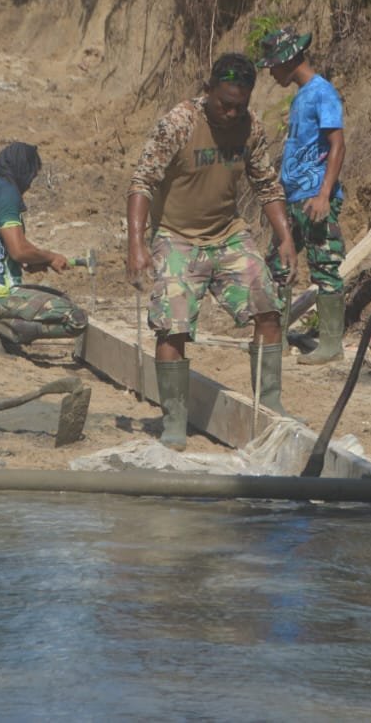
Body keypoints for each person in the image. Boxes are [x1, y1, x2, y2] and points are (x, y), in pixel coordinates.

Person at [125, 53, 299, 451]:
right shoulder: (180, 124)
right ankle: (174, 419)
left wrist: (285, 237)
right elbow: (142, 182)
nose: (231, 112)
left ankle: (269, 402)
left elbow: (267, 186)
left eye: (239, 105)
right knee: (172, 323)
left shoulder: (250, 128)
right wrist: (137, 244)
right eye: (225, 104)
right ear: (208, 93)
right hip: (177, 236)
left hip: (228, 234)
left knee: (268, 305)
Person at [256, 27, 348, 364]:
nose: (270, 73)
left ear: (287, 61)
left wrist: (324, 194)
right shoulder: (301, 97)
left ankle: (330, 344)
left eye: (272, 66)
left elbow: (337, 145)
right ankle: (275, 339)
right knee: (278, 265)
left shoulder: (322, 92)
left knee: (324, 265)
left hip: (314, 197)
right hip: (293, 197)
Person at [0, 142, 88, 356]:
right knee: (75, 317)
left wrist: (33, 261)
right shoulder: (6, 193)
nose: (29, 184)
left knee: (57, 297)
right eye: (31, 177)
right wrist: (50, 256)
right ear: (23, 170)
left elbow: (0, 248)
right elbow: (18, 249)